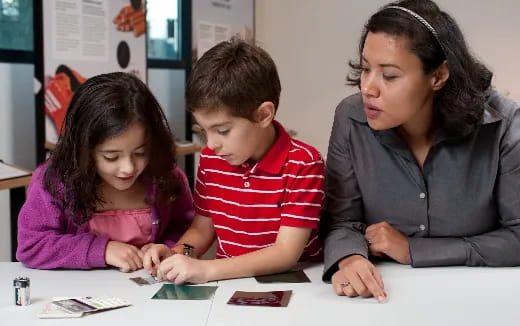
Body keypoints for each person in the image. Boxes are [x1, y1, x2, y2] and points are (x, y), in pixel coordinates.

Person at [320, 0, 520, 302]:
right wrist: (350, 258)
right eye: (365, 69)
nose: (368, 88)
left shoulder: (502, 125)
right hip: (385, 301)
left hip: (482, 301)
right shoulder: (350, 118)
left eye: (389, 75)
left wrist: (413, 249)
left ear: (438, 76)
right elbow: (341, 222)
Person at [143, 38, 325, 284]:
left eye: (223, 130)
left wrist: (206, 270)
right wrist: (178, 253)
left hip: (290, 285)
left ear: (263, 115)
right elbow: (201, 230)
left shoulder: (304, 164)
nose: (211, 144)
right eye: (204, 130)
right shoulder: (211, 158)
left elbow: (286, 254)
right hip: (229, 283)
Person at [17, 72, 194, 272]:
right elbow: (31, 246)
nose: (128, 168)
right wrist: (102, 250)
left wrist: (169, 249)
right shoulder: (55, 181)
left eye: (140, 152)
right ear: (84, 150)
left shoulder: (165, 177)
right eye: (111, 157)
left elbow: (189, 232)